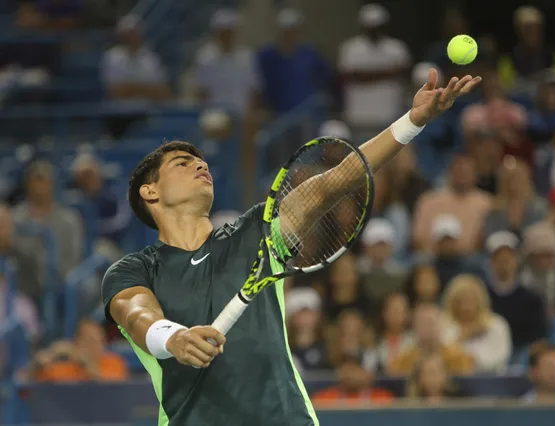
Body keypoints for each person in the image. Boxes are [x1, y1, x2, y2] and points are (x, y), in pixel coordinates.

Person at [101, 68, 481, 424]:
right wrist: (174, 338)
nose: (201, 166)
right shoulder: (134, 270)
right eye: (183, 163)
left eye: (202, 161)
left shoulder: (258, 231)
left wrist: (413, 121)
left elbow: (335, 182)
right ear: (149, 192)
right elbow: (137, 316)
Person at [338, 3, 411, 140]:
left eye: (377, 26)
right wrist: (388, 73)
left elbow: (404, 73)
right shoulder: (351, 48)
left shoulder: (397, 48)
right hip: (359, 117)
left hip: (390, 116)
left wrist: (364, 75)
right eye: (370, 27)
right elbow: (348, 76)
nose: (374, 30)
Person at [413, 155, 492, 253]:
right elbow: (417, 238)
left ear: (475, 174)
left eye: (466, 172)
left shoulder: (486, 203)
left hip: (470, 258)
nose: (462, 175)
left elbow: (486, 240)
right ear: (450, 173)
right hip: (432, 256)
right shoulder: (429, 200)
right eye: (459, 171)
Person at [485, 231, 548, 352]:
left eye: (507, 258)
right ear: (491, 262)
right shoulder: (482, 297)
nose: (503, 264)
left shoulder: (532, 300)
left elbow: (539, 339)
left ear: (516, 260)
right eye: (498, 259)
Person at [440, 274, 512, 373]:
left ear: (480, 301)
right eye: (460, 301)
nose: (465, 307)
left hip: (491, 378)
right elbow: (442, 355)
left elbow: (501, 357)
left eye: (470, 301)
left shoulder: (496, 324)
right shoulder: (443, 324)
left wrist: (474, 360)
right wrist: (463, 336)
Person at [22, 319, 128, 382]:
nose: (95, 347)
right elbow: (25, 382)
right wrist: (44, 358)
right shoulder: (65, 368)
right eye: (89, 341)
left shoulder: (114, 363)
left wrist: (85, 363)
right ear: (77, 343)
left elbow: (112, 387)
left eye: (99, 341)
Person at [388, 303, 474, 376]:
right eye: (423, 323)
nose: (428, 328)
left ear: (441, 326)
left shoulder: (458, 357)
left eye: (431, 323)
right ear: (415, 328)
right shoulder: (403, 360)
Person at [311, 354, 395, 406]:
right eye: (345, 369)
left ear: (367, 374)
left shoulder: (383, 399)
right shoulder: (322, 400)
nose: (349, 374)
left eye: (354, 369)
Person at [286, 287, 329, 374]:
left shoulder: (329, 347)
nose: (305, 318)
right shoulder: (284, 349)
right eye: (300, 313)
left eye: (309, 312)